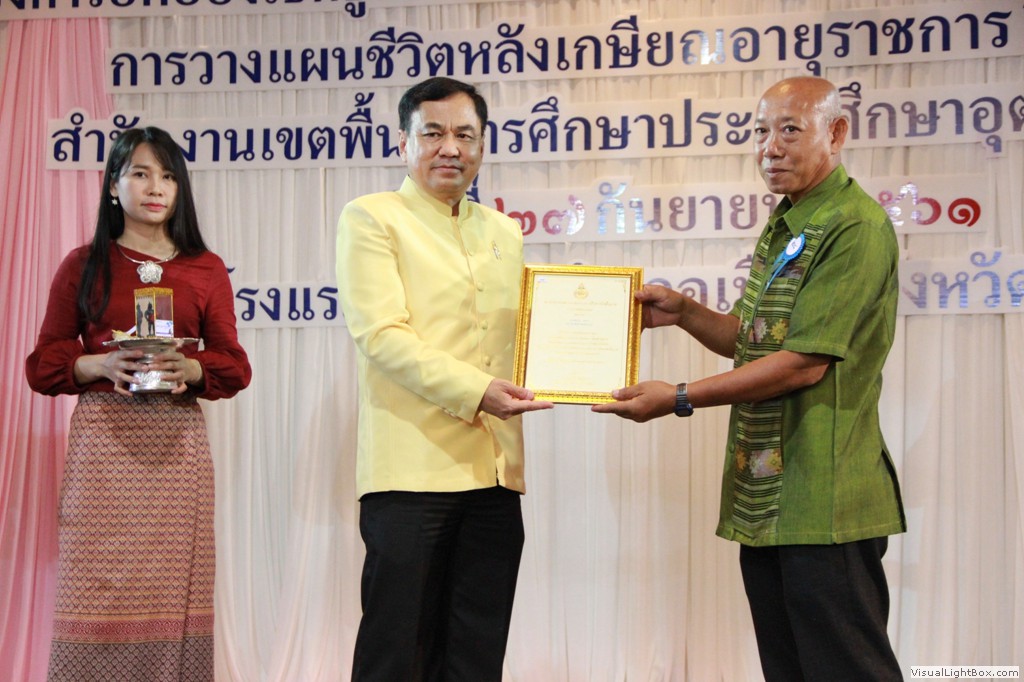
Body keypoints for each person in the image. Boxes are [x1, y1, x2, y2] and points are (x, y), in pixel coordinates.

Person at [593, 76, 906, 681]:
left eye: (790, 129)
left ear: (836, 133)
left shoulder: (853, 226)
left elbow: (802, 363)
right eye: (760, 131)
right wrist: (684, 312)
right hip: (767, 497)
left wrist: (677, 397)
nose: (770, 147)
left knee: (847, 670)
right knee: (788, 669)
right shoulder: (789, 223)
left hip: (823, 500)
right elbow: (750, 338)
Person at [335, 76, 553, 682]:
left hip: (494, 473)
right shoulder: (372, 218)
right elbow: (381, 335)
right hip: (411, 473)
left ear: (482, 145)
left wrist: (613, 325)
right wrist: (477, 392)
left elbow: (526, 330)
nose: (450, 148)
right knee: (397, 653)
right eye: (432, 133)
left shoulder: (504, 231)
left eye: (465, 134)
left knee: (476, 654)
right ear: (404, 142)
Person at [26, 126, 252, 681]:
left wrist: (190, 368)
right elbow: (42, 363)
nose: (156, 188)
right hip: (104, 445)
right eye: (141, 174)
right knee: (94, 582)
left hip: (176, 447)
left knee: (174, 585)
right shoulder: (84, 263)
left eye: (168, 176)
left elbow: (234, 364)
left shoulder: (204, 266)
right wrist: (98, 365)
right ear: (113, 185)